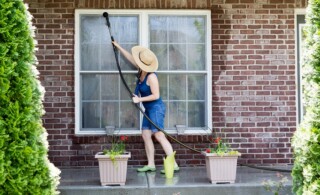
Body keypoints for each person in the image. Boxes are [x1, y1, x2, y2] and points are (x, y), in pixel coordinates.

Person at [112, 41, 179, 173]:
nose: (137, 62)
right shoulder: (141, 70)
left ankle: (174, 165)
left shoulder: (151, 76)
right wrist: (118, 46)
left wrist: (139, 99)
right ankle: (151, 164)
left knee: (159, 136)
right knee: (146, 135)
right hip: (148, 109)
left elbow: (156, 95)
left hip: (156, 108)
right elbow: (130, 58)